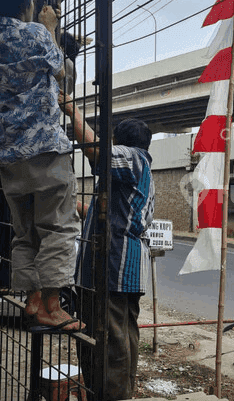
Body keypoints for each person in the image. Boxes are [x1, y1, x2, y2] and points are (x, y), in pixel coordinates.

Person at [0, 0, 84, 332]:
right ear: (27, 4)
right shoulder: (33, 32)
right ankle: (51, 305)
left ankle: (31, 298)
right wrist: (51, 27)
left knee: (25, 232)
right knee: (60, 227)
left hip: (8, 154)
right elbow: (61, 71)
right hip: (45, 148)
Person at [60, 97, 155, 400]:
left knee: (109, 341)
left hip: (113, 267)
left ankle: (113, 396)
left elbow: (97, 154)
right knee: (122, 337)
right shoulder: (139, 174)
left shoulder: (132, 158)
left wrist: (73, 110)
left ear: (119, 142)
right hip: (126, 269)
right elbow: (103, 214)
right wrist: (69, 201)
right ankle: (119, 393)